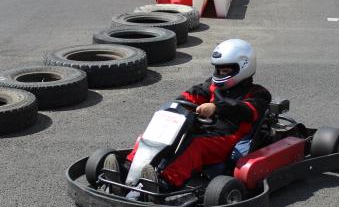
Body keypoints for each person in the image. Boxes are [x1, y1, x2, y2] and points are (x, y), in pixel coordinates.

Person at [103, 39, 271, 196]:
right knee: (155, 134)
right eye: (218, 69)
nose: (220, 73)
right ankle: (126, 169)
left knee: (193, 146)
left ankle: (162, 183)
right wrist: (179, 104)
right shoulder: (214, 85)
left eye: (226, 70)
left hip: (227, 139)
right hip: (204, 129)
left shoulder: (258, 94)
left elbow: (246, 110)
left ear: (243, 66)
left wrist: (216, 107)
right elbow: (193, 94)